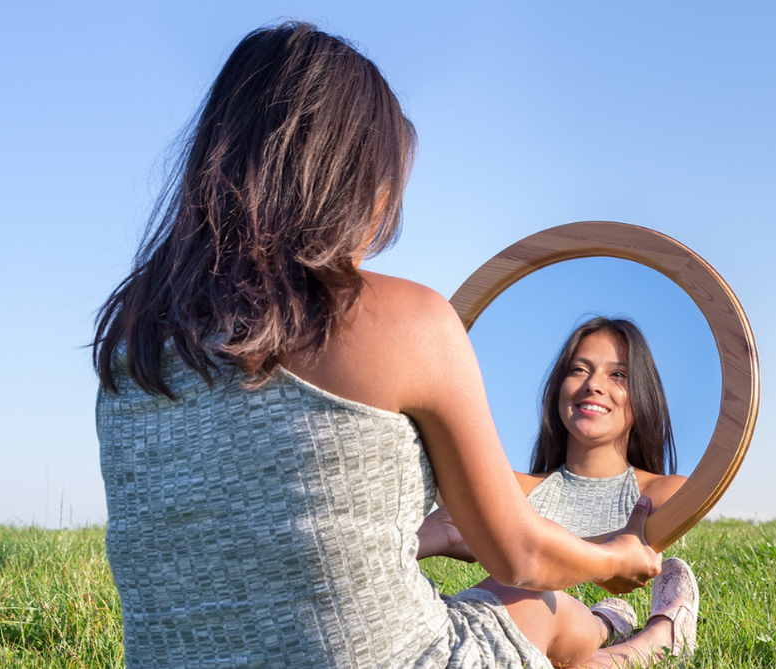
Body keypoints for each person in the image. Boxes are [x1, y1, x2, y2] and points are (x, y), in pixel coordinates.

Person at [92, 22, 695, 668]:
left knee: (519, 600)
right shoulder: (405, 319)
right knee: (544, 607)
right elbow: (523, 552)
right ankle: (650, 641)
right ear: (355, 182)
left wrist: (426, 532)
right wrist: (614, 557)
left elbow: (246, 523)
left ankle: (614, 629)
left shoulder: (135, 330)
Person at [519, 317, 689, 539]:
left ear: (643, 397)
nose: (593, 384)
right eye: (579, 369)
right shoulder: (516, 491)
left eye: (618, 374)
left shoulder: (668, 494)